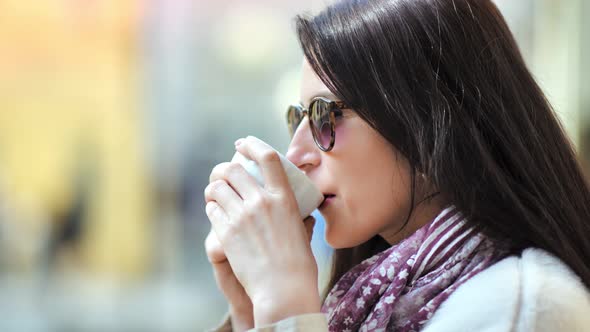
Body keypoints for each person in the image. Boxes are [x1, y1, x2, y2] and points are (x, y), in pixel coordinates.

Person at [204, 0, 590, 330]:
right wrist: (253, 312)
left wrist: (285, 300)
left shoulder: (519, 304)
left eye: (324, 115)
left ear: (426, 117)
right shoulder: (379, 295)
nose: (296, 154)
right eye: (298, 117)